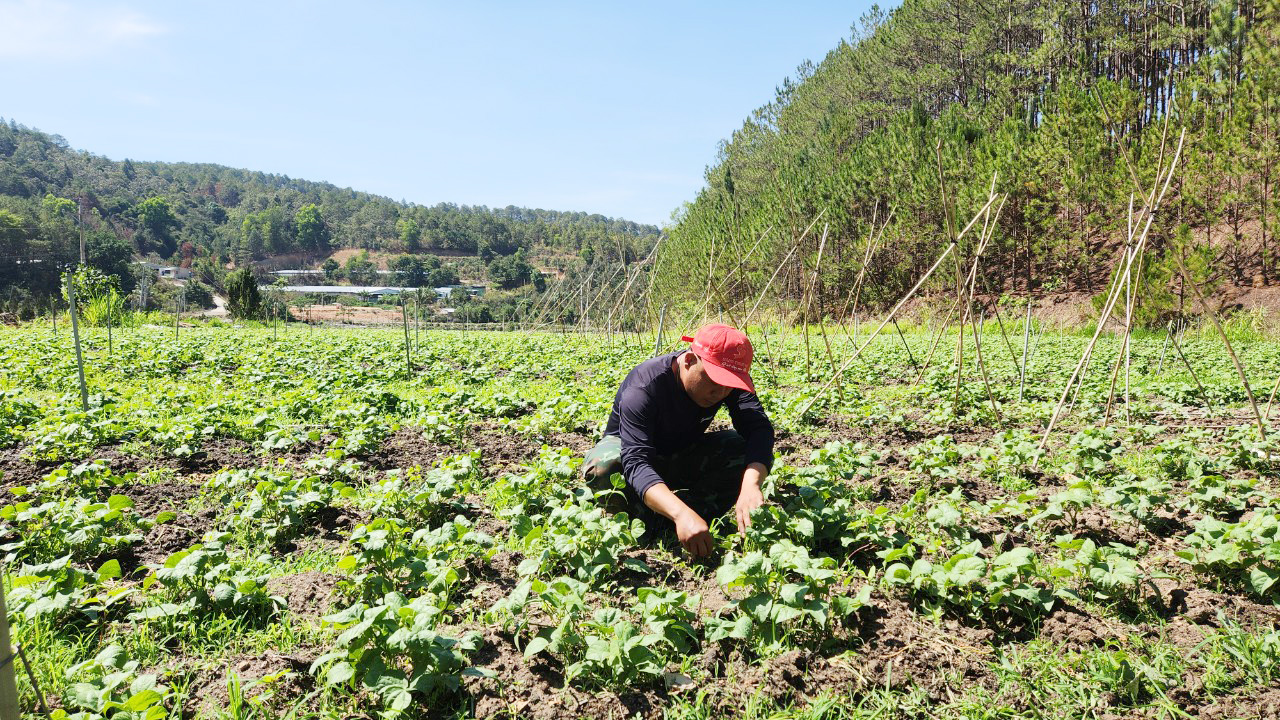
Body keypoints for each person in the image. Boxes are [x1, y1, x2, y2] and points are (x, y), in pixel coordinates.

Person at [582, 323, 775, 558]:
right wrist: (680, 514)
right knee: (604, 466)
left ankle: (690, 519)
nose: (721, 393)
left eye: (728, 386)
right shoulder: (644, 386)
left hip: (681, 452)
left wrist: (751, 485)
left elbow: (759, 430)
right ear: (689, 361)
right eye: (713, 382)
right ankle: (651, 520)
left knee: (741, 449)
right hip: (632, 457)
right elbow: (636, 462)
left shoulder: (728, 381)